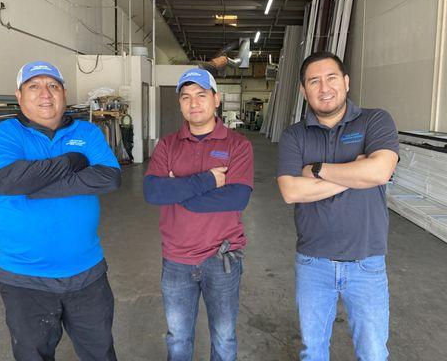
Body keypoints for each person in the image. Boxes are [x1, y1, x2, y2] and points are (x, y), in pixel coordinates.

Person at [0, 61, 121, 361]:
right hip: (25, 279)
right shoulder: (3, 135)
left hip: (88, 275)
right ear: (19, 96)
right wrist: (72, 160)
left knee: (100, 353)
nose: (45, 94)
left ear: (64, 93)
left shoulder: (88, 131)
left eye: (53, 86)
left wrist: (33, 186)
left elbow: (110, 177)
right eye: (34, 86)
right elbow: (6, 181)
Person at [277, 51, 399, 361]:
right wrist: (356, 173)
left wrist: (317, 169)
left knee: (373, 353)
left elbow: (380, 171)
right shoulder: (294, 134)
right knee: (313, 352)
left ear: (345, 82)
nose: (324, 88)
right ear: (304, 91)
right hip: (312, 262)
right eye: (314, 81)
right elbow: (291, 191)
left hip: (366, 262)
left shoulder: (375, 120)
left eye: (331, 78)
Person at [143, 68, 254, 361]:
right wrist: (206, 181)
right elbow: (153, 192)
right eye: (186, 97)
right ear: (180, 104)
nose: (194, 103)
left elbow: (238, 196)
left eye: (201, 95)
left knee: (224, 336)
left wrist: (181, 194)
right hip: (177, 258)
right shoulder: (167, 145)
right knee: (178, 339)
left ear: (216, 100)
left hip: (222, 257)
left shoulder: (237, 145)